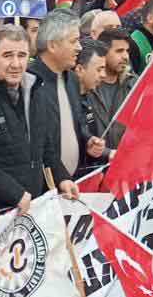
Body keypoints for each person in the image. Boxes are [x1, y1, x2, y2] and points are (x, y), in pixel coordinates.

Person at [0, 25, 80, 213]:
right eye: (8, 55)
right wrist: (14, 193)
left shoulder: (35, 91)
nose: (16, 64)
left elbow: (45, 146)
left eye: (22, 55)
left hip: (33, 206)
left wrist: (62, 178)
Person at [29, 9, 103, 178]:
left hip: (72, 184)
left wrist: (87, 140)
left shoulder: (71, 79)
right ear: (52, 45)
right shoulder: (29, 83)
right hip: (43, 191)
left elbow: (76, 122)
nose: (79, 47)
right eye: (74, 41)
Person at [88, 27, 137, 151]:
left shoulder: (134, 84)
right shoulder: (87, 84)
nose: (125, 56)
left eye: (127, 51)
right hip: (94, 163)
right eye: (119, 51)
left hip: (125, 161)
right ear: (104, 52)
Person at [72, 38, 109, 167]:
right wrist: (108, 154)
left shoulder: (93, 95)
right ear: (80, 70)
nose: (103, 75)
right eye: (99, 69)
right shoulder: (67, 101)